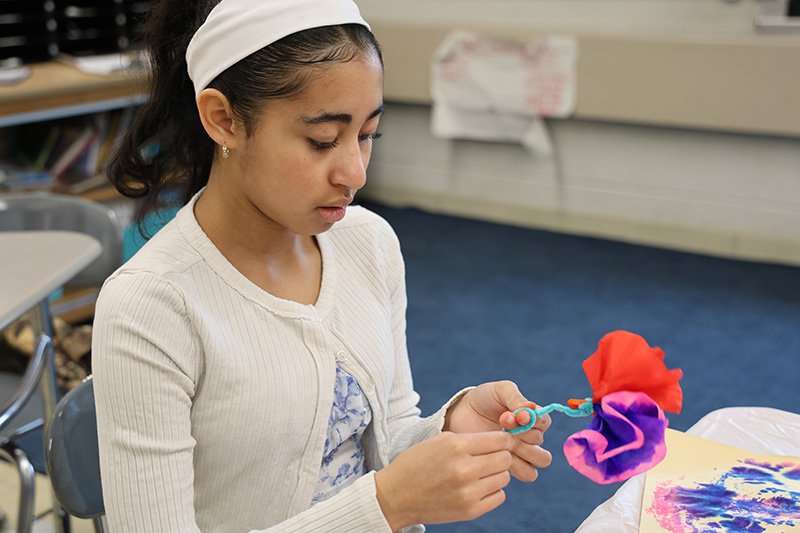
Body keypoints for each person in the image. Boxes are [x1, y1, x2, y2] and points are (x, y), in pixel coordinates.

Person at [93, 0, 552, 531]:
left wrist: (449, 429)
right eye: (322, 141)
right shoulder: (152, 305)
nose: (354, 174)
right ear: (223, 119)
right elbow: (384, 495)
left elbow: (383, 436)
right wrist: (385, 506)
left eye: (367, 135)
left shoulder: (367, 243)